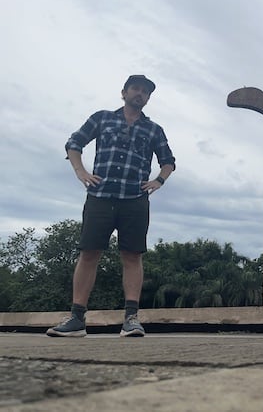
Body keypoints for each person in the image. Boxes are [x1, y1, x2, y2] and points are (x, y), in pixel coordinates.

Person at [47, 75, 176, 337]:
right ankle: (76, 318)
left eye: (145, 92)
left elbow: (168, 160)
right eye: (135, 89)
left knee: (132, 255)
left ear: (148, 99)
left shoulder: (153, 130)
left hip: (135, 199)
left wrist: (159, 180)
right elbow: (74, 143)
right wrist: (80, 171)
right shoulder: (102, 118)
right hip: (101, 196)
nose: (139, 94)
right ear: (124, 93)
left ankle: (131, 319)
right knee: (89, 253)